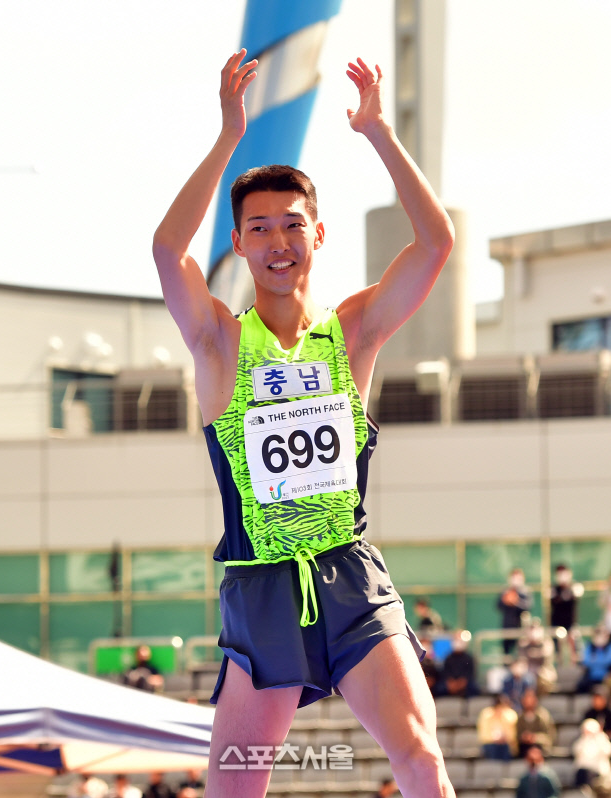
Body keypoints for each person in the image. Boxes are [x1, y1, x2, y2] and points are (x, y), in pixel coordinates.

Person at [153, 50, 455, 798]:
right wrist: (229, 138)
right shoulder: (219, 341)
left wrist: (379, 133)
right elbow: (167, 250)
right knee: (235, 786)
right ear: (241, 244)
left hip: (349, 573)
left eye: (293, 225)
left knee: (420, 757)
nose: (277, 241)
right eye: (258, 228)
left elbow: (435, 245)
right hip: (260, 587)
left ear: (318, 236)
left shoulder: (352, 333)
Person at [550, 563, 583, 662]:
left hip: (571, 624)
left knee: (576, 650)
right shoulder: (554, 589)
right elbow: (554, 599)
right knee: (557, 652)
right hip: (557, 625)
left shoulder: (575, 587)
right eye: (559, 574)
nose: (562, 577)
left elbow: (576, 594)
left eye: (564, 574)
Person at [498, 568, 533, 656]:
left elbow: (527, 607)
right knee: (506, 652)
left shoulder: (525, 592)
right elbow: (498, 606)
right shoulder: (506, 591)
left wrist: (515, 602)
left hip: (521, 627)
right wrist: (506, 600)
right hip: (507, 626)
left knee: (521, 652)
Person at [517, 618, 557, 695]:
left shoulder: (547, 641)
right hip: (527, 674)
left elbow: (545, 655)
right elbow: (521, 659)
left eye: (536, 629)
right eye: (531, 629)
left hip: (544, 673)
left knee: (543, 680)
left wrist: (533, 651)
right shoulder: (523, 643)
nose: (533, 632)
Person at [437, 630, 479, 698]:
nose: (458, 643)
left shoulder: (469, 658)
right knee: (440, 688)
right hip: (450, 683)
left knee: (473, 688)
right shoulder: (448, 658)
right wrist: (451, 684)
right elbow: (445, 673)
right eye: (456, 640)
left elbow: (469, 675)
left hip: (465, 683)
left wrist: (461, 683)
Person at [516, 688, 556, 759]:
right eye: (526, 699)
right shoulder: (520, 718)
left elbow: (550, 736)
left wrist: (535, 738)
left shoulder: (543, 716)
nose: (528, 702)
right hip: (524, 748)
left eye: (531, 699)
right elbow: (517, 735)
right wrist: (524, 737)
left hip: (541, 748)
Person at [477, 694, 518, 761]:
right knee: (492, 747)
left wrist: (505, 739)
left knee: (507, 747)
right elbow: (483, 736)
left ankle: (506, 768)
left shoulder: (510, 715)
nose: (499, 710)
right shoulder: (486, 715)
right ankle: (493, 768)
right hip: (491, 743)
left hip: (506, 744)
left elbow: (513, 735)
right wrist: (495, 740)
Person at [573, 718, 611, 790]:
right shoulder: (581, 741)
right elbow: (575, 751)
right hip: (583, 771)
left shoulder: (602, 739)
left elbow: (607, 751)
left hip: (598, 772)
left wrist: (599, 737)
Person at [577, 626, 611, 694]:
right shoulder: (590, 646)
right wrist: (599, 661)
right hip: (591, 678)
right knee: (580, 686)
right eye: (596, 636)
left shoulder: (609, 647)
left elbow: (608, 661)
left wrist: (594, 660)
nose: (598, 638)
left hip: (605, 677)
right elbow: (586, 661)